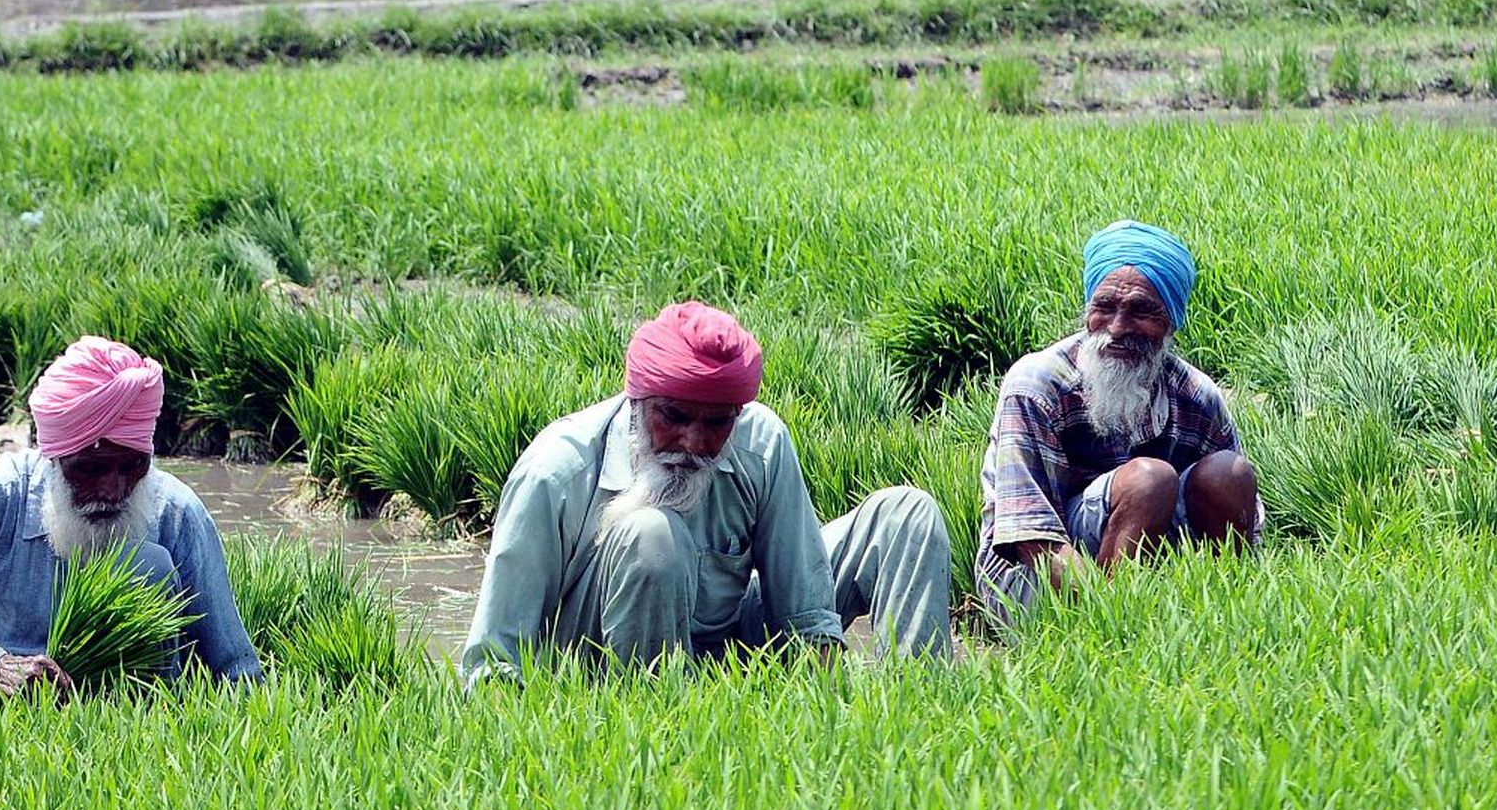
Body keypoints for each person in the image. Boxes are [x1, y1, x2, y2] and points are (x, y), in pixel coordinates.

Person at [462, 301, 951, 684]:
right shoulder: (558, 473)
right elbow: (493, 659)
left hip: (725, 650)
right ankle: (655, 717)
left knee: (907, 514)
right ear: (639, 401)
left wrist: (829, 717)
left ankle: (921, 707)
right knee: (652, 533)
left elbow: (806, 612)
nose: (694, 443)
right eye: (672, 417)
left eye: (717, 423)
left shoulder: (761, 442)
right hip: (596, 664)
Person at [0, 336, 262, 698]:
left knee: (146, 563)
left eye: (132, 467)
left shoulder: (176, 512)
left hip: (116, 708)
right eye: (90, 470)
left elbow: (236, 665)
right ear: (53, 458)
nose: (113, 490)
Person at [976, 221, 1261, 618]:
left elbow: (1246, 523)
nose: (1118, 327)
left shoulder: (1197, 396)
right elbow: (1030, 537)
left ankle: (1224, 616)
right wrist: (1112, 623)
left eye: (1142, 310)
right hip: (1031, 579)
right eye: (1105, 307)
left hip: (1154, 564)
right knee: (1149, 481)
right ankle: (1118, 623)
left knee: (1228, 474)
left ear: (1171, 322)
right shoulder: (1037, 384)